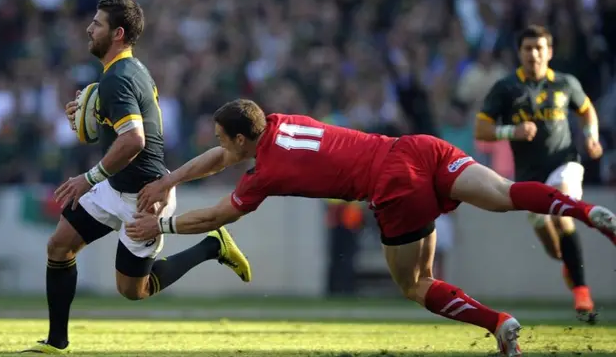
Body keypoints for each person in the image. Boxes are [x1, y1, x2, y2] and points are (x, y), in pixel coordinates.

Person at [126, 99, 616, 357]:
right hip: (419, 148)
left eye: (221, 138)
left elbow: (215, 216)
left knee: (415, 284)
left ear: (240, 137)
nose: (217, 146)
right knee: (508, 195)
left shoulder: (266, 172)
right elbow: (223, 156)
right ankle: (583, 211)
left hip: (392, 184)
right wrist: (172, 177)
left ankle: (499, 325)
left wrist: (162, 222)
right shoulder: (276, 122)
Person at [22, 0, 251, 354]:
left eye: (97, 24)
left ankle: (212, 246)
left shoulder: (118, 78)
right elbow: (124, 127)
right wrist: (88, 114)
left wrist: (88, 178)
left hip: (145, 197)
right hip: (115, 186)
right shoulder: (127, 71)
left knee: (133, 291)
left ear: (117, 33)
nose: (88, 28)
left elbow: (134, 140)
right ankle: (56, 343)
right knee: (59, 246)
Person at [474, 25, 603, 323]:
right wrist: (512, 131)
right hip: (529, 175)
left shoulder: (565, 83)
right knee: (552, 246)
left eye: (539, 48)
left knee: (562, 208)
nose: (534, 54)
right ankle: (569, 265)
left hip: (564, 162)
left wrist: (592, 135)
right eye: (528, 48)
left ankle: (582, 293)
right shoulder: (506, 88)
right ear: (519, 53)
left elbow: (586, 110)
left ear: (550, 51)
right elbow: (481, 129)